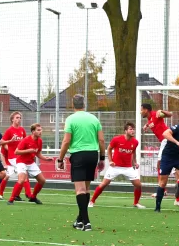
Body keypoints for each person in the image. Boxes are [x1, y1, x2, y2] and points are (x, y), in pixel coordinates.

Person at [58, 94, 106, 232]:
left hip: (78, 155)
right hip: (92, 155)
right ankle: (79, 220)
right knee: (86, 188)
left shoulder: (70, 119)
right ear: (84, 104)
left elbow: (66, 141)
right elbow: (101, 141)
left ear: (73, 105)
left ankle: (86, 222)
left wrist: (60, 159)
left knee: (80, 190)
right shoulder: (94, 118)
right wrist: (102, 158)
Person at [89, 122, 145, 209]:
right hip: (115, 167)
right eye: (130, 129)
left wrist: (134, 162)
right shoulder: (117, 139)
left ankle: (136, 203)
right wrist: (110, 161)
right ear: (125, 131)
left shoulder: (135, 142)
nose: (132, 131)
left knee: (138, 185)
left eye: (133, 129)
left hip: (128, 168)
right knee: (104, 184)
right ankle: (92, 201)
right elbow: (109, 149)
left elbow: (133, 152)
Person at [8, 123, 52, 205]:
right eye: (38, 130)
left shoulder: (40, 141)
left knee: (42, 180)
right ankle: (11, 199)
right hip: (21, 162)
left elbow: (38, 153)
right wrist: (29, 150)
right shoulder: (26, 140)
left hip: (31, 162)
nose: (40, 132)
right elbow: (16, 152)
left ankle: (33, 197)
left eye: (41, 130)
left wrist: (45, 158)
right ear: (33, 131)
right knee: (21, 180)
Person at [0, 111, 28, 199]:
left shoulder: (22, 130)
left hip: (19, 157)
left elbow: (25, 141)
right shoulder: (9, 131)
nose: (19, 119)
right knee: (23, 175)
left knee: (18, 175)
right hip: (12, 158)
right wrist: (10, 142)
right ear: (12, 119)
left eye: (20, 118)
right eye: (17, 117)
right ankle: (1, 193)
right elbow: (2, 143)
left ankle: (16, 195)